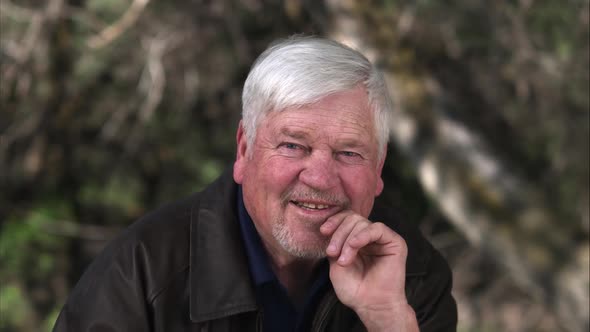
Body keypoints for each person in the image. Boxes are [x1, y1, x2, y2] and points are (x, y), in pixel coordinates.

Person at [53, 36, 457, 332]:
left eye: (349, 153)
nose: (319, 178)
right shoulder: (143, 274)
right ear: (244, 150)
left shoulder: (410, 273)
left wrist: (387, 318)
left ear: (379, 167)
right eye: (294, 145)